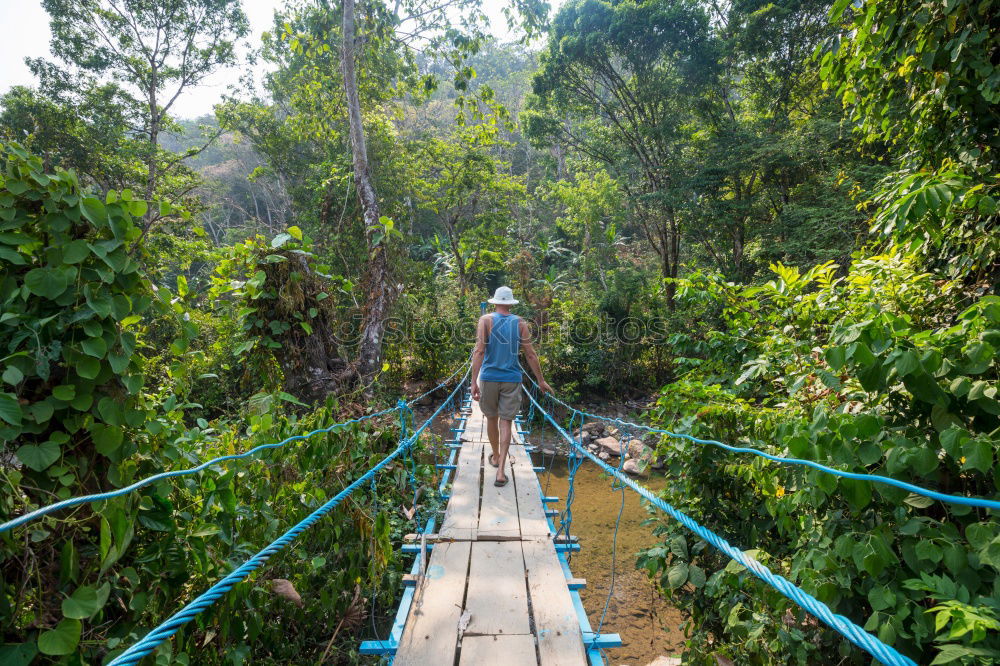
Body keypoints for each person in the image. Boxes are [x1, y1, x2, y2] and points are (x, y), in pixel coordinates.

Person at [471, 286, 553, 486]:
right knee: (506, 421)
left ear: (495, 301)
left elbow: (479, 352)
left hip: (489, 377)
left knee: (491, 417)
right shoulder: (520, 323)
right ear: (510, 303)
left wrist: (473, 382)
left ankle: (497, 456)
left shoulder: (485, 321)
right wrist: (540, 380)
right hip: (512, 378)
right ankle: (501, 472)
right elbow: (530, 354)